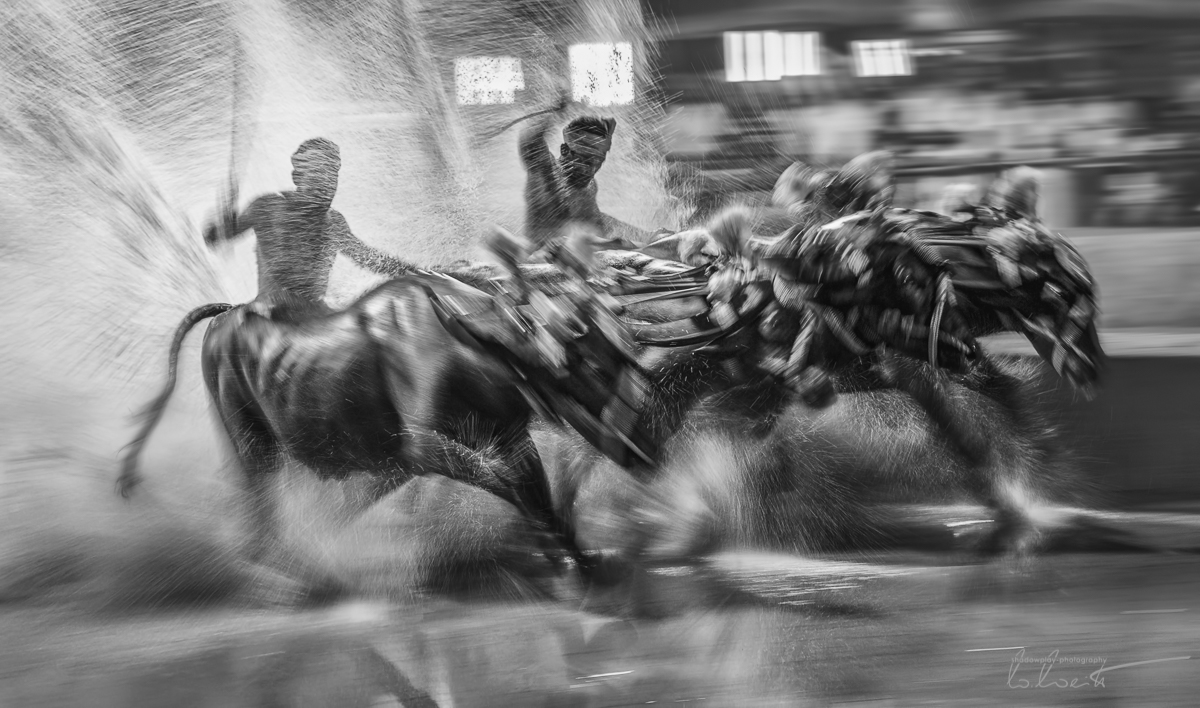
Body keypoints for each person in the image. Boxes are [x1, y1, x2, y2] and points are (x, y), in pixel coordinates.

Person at [203, 137, 415, 316]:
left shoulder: (333, 222)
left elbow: (367, 258)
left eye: (332, 175)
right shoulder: (268, 207)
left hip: (315, 316)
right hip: (269, 315)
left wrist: (416, 273)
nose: (327, 184)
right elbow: (215, 238)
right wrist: (221, 223)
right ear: (298, 177)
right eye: (318, 175)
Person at [519, 115, 651, 254]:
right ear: (565, 150)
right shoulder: (548, 174)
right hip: (538, 266)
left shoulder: (589, 185)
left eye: (598, 161)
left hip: (578, 267)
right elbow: (531, 142)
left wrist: (648, 236)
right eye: (586, 160)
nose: (591, 170)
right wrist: (555, 112)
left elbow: (596, 221)